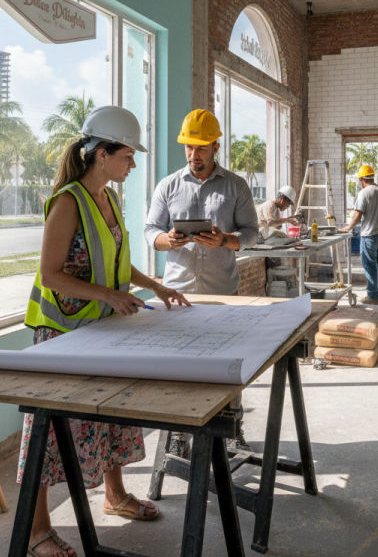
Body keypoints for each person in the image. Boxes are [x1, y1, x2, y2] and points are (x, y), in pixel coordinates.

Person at [19, 106, 190, 557]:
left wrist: (154, 285)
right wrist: (107, 296)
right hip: (61, 337)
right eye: (128, 156)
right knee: (50, 433)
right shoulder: (68, 202)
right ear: (101, 155)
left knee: (110, 415)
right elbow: (51, 274)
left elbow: (116, 262)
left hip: (100, 329)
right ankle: (36, 531)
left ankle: (114, 497)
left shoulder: (109, 200)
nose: (132, 165)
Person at [145, 108, 259, 452]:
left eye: (201, 149)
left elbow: (251, 233)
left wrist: (224, 239)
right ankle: (180, 434)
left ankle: (231, 428)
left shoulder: (236, 186)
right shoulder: (168, 185)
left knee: (227, 364)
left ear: (216, 146)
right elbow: (151, 231)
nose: (194, 156)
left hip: (223, 292)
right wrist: (169, 240)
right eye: (189, 149)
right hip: (177, 293)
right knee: (180, 367)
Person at [339, 164, 378, 305]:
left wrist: (348, 228)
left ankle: (373, 296)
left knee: (369, 265)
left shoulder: (364, 193)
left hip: (369, 235)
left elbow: (357, 214)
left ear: (362, 179)